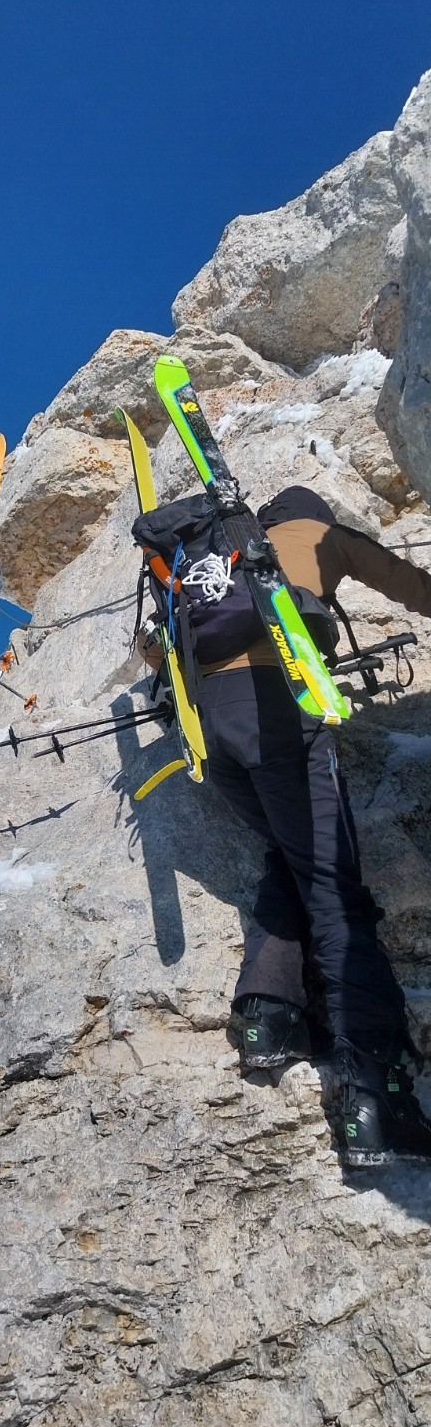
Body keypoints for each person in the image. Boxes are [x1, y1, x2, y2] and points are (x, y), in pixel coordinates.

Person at [146, 486, 431, 1166]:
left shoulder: (210, 555)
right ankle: (374, 1097)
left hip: (212, 731)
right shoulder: (322, 537)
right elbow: (410, 586)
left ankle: (268, 1015)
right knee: (334, 892)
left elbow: (156, 652)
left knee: (295, 859)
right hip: (279, 709)